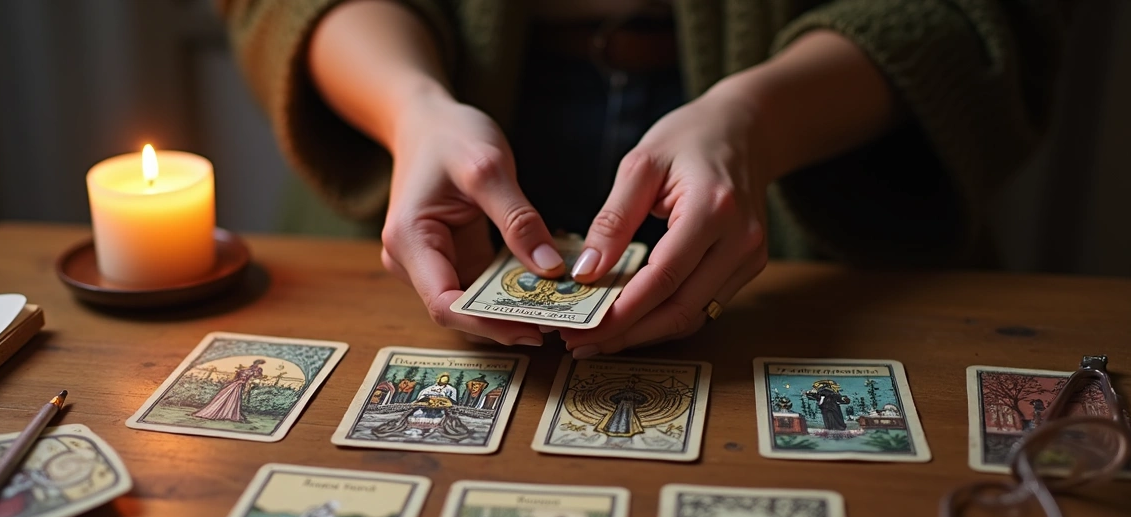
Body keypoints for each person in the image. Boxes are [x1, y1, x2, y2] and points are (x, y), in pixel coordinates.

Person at [220, 1, 1063, 353]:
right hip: (428, 138)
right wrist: (410, 109)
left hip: (831, 161)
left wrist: (756, 121)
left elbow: (993, 15)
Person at [192, 359, 265, 421]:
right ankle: (226, 413)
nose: (258, 365)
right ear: (258, 364)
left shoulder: (244, 369)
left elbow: (238, 377)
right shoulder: (256, 370)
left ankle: (225, 412)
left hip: (235, 383)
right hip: (238, 384)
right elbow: (257, 376)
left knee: (226, 396)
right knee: (231, 398)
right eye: (259, 364)